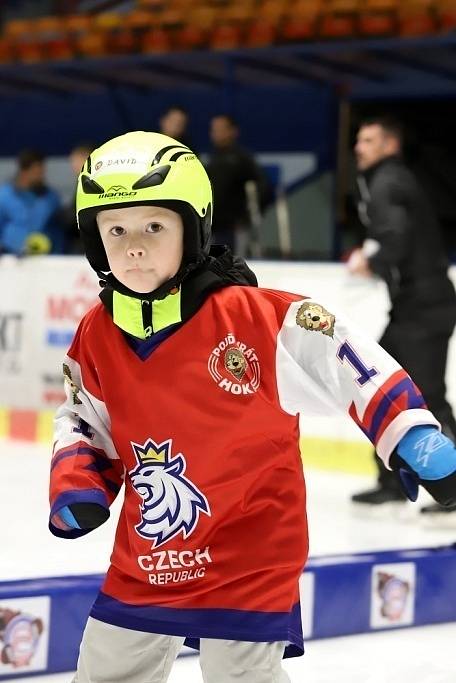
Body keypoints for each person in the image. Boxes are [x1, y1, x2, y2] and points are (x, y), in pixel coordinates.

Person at [49, 131, 456, 683]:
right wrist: (78, 481)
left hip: (252, 542)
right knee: (108, 667)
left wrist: (408, 431)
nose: (133, 247)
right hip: (153, 544)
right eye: (115, 230)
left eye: (153, 226)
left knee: (240, 672)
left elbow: (345, 358)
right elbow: (82, 418)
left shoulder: (253, 317)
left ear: (194, 229)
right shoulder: (96, 332)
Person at [348, 116, 456, 519]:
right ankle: (393, 480)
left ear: (390, 145)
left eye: (369, 140)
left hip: (423, 307)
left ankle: (450, 484)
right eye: (358, 139)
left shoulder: (386, 182)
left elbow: (394, 234)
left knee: (420, 395)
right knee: (384, 389)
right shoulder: (394, 179)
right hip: (420, 305)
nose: (359, 147)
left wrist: (369, 260)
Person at [206, 114, 269, 257]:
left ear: (233, 131)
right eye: (213, 129)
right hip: (213, 225)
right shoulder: (212, 159)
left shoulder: (242, 158)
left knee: (233, 265)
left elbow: (262, 184)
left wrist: (247, 215)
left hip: (234, 226)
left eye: (220, 129)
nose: (215, 133)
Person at [0, 148, 63, 255]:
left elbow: (57, 231)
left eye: (43, 172)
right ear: (24, 172)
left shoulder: (51, 198)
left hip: (45, 259)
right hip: (9, 259)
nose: (42, 176)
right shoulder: (4, 195)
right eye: (38, 172)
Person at [63, 142, 96, 253]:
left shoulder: (89, 182)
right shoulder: (82, 181)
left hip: (89, 242)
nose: (73, 165)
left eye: (75, 160)